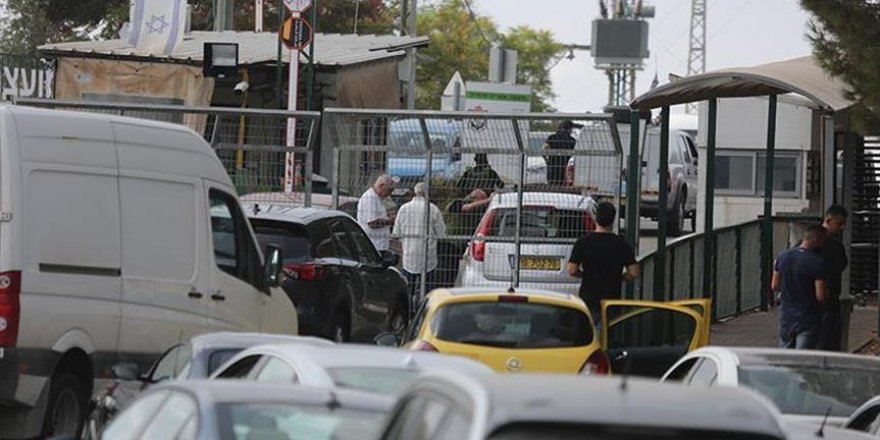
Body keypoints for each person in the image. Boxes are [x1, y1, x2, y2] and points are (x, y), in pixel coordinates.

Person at [567, 202, 639, 328]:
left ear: (596, 218)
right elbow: (634, 273)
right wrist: (619, 277)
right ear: (613, 219)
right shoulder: (621, 244)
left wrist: (586, 275)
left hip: (589, 297)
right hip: (611, 299)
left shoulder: (583, 242)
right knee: (608, 333)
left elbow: (572, 270)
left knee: (588, 332)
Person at [772, 224, 827, 350]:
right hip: (808, 317)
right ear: (817, 239)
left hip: (787, 315)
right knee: (803, 358)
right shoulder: (818, 262)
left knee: (785, 357)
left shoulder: (783, 256)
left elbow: (774, 285)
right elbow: (820, 296)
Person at [393, 182, 447, 301]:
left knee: (408, 286)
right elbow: (442, 233)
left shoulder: (404, 208)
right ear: (427, 193)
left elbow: (396, 232)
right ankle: (425, 307)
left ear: (415, 192)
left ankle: (408, 306)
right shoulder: (433, 209)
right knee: (428, 287)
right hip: (428, 255)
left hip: (409, 254)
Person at [818, 205, 849, 351]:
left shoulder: (808, 241)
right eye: (839, 223)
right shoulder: (835, 247)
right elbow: (841, 265)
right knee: (829, 345)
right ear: (828, 220)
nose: (842, 227)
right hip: (830, 303)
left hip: (811, 304)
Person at [357, 174, 396, 252]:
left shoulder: (376, 198)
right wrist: (390, 220)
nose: (389, 194)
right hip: (374, 245)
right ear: (381, 186)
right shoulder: (370, 198)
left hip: (378, 244)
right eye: (389, 190)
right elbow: (372, 222)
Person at [544, 120, 581, 185]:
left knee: (552, 185)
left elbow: (544, 149)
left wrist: (547, 160)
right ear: (570, 129)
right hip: (565, 167)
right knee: (563, 187)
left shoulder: (552, 137)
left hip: (553, 166)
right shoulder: (572, 140)